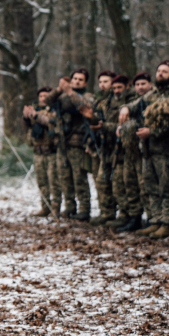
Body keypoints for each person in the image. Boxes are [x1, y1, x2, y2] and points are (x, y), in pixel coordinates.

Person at [119, 60, 169, 238]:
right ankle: (156, 221)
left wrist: (154, 132)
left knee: (167, 187)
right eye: (158, 71)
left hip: (166, 151)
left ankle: (168, 223)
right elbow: (135, 106)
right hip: (148, 150)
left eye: (164, 72)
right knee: (151, 186)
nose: (160, 74)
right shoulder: (151, 95)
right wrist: (125, 108)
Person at [46, 69, 94, 221]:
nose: (77, 82)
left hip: (77, 144)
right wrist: (59, 89)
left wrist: (70, 91)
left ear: (85, 83)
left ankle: (85, 209)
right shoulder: (63, 96)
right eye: (74, 79)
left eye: (80, 79)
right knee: (64, 178)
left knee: (79, 177)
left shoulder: (87, 96)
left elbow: (84, 106)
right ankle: (70, 207)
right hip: (62, 143)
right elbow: (47, 101)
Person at [116, 72, 152, 232]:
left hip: (148, 150)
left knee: (146, 187)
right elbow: (129, 108)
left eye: (143, 84)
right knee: (130, 184)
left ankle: (152, 218)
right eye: (137, 84)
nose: (140, 87)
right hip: (131, 150)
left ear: (150, 84)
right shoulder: (137, 102)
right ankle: (135, 217)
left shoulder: (153, 98)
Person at [23, 87, 61, 217]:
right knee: (42, 182)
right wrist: (26, 117)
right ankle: (45, 206)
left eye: (46, 96)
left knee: (53, 181)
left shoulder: (55, 110)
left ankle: (56, 208)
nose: (43, 98)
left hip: (51, 152)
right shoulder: (35, 111)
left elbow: (50, 122)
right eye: (41, 96)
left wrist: (35, 115)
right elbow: (27, 128)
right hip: (37, 151)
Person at [103, 75, 135, 229]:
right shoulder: (109, 102)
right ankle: (124, 214)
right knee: (116, 184)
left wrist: (104, 126)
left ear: (127, 86)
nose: (116, 91)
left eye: (119, 88)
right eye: (114, 88)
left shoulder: (130, 102)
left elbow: (120, 126)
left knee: (124, 185)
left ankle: (127, 215)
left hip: (126, 149)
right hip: (113, 148)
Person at [86, 70, 117, 225]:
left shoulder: (116, 100)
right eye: (100, 82)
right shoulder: (99, 101)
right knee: (100, 180)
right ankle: (106, 211)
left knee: (114, 182)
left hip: (114, 145)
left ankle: (114, 212)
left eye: (106, 81)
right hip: (101, 145)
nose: (102, 85)